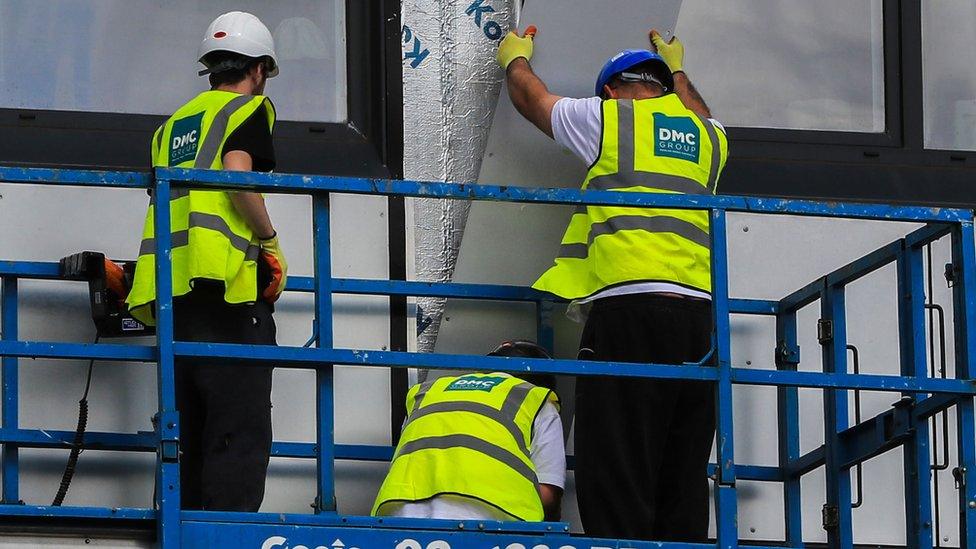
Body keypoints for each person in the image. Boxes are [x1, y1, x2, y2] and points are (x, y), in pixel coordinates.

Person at [496, 27, 729, 542]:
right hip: (700, 324)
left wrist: (515, 58)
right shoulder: (710, 138)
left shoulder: (608, 119)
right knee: (682, 466)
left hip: (629, 311)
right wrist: (680, 68)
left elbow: (532, 100)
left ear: (611, 89)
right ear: (666, 87)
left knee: (615, 462)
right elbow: (700, 113)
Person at [126, 11, 288, 512]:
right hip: (228, 291)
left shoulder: (173, 125)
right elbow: (237, 174)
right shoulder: (247, 110)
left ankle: (180, 530)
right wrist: (270, 240)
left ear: (211, 67)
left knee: (184, 429)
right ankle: (227, 538)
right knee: (237, 429)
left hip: (175, 296)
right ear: (258, 68)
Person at [372, 341, 565, 522]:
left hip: (398, 513)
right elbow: (547, 493)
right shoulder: (536, 399)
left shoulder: (427, 391)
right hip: (486, 516)